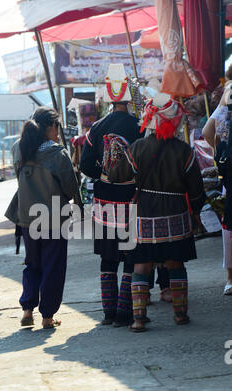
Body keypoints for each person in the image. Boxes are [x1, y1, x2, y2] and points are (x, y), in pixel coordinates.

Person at [126, 93, 206, 332]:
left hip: (143, 216)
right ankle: (180, 315)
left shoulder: (136, 148)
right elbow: (196, 190)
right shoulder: (184, 151)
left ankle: (138, 319)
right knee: (175, 264)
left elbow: (121, 178)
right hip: (176, 215)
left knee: (140, 266)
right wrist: (196, 212)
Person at [80, 64, 145, 327]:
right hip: (132, 198)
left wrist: (104, 173)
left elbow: (85, 166)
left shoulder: (96, 128)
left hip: (105, 199)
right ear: (129, 95)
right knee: (131, 255)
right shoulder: (139, 126)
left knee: (108, 257)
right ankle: (125, 313)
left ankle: (108, 314)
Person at [5, 106, 79, 328]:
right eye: (57, 127)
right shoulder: (57, 154)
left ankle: (27, 311)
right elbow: (70, 187)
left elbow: (19, 179)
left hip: (27, 217)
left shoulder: (19, 148)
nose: (58, 132)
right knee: (53, 266)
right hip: (53, 218)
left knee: (32, 263)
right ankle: (47, 316)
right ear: (49, 127)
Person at [203, 77, 232, 295]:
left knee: (228, 229)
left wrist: (220, 150)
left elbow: (206, 132)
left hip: (229, 176)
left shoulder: (224, 104)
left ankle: (230, 278)